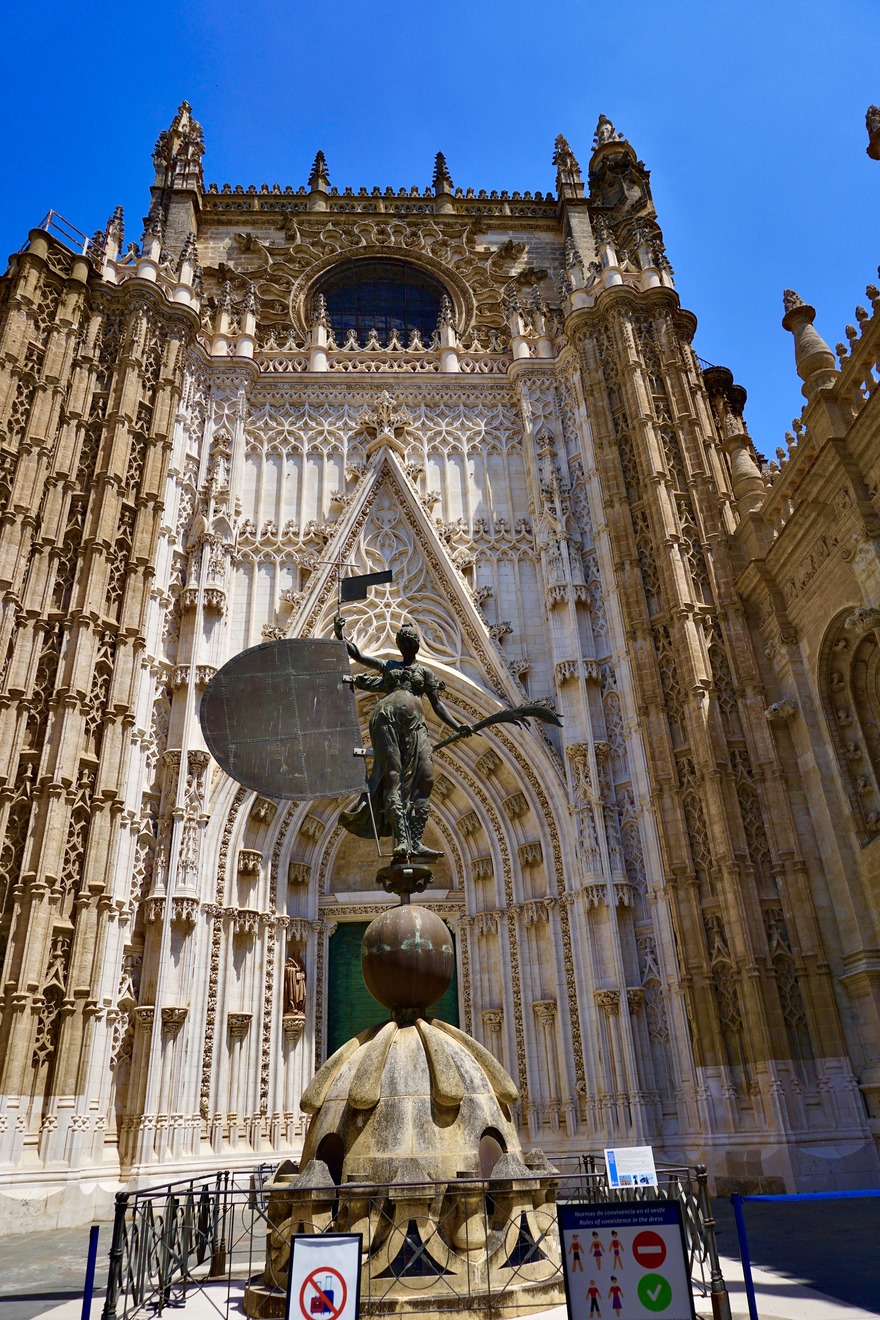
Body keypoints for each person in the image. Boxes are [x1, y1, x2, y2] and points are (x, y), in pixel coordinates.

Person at [334, 615, 471, 859]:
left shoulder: (425, 673)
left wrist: (457, 725)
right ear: (400, 645)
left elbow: (437, 705)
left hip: (416, 726)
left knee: (426, 778)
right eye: (405, 641)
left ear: (417, 645)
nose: (409, 644)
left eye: (412, 640)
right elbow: (359, 656)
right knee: (392, 777)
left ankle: (415, 840)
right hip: (386, 719)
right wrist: (340, 635)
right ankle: (402, 841)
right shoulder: (390, 667)